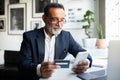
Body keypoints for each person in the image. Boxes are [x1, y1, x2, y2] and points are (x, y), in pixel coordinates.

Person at [18, 3, 92, 80]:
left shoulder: (66, 36)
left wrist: (85, 62)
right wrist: (40, 69)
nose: (59, 24)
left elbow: (83, 53)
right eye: (55, 19)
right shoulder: (29, 37)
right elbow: (23, 64)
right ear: (44, 18)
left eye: (62, 20)